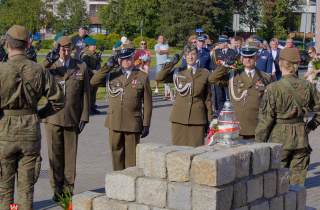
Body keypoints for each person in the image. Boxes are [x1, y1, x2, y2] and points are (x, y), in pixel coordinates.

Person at [0, 25, 65, 209]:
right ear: (28, 45)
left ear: (7, 45)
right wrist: (38, 114)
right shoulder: (39, 70)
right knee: (26, 190)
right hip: (30, 132)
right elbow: (58, 101)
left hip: (4, 133)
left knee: (4, 191)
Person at [255, 48, 320, 186]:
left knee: (276, 184)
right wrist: (310, 126)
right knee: (296, 186)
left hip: (279, 139)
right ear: (296, 65)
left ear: (281, 64)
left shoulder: (273, 88)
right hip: (301, 138)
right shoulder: (307, 85)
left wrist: (258, 143)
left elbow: (265, 121)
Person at [41, 36, 90, 201]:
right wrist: (49, 60)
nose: (67, 52)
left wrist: (84, 116)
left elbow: (85, 93)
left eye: (69, 49)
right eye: (63, 49)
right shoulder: (50, 65)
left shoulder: (81, 66)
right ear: (57, 49)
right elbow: (36, 76)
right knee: (55, 155)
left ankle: (68, 189)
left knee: (70, 157)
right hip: (52, 117)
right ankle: (56, 189)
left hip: (72, 117)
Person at [90, 44, 152, 171]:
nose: (126, 61)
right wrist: (107, 67)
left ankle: (130, 185)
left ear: (133, 57)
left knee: (131, 158)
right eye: (123, 58)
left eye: (128, 58)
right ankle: (117, 182)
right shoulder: (112, 74)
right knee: (116, 155)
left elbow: (148, 102)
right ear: (118, 59)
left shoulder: (142, 76)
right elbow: (93, 81)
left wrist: (146, 124)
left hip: (132, 122)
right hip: (114, 121)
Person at [209, 42, 271, 140]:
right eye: (245, 57)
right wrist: (226, 65)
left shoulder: (265, 77)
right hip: (236, 126)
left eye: (251, 57)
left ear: (256, 58)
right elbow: (213, 79)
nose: (248, 59)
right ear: (241, 58)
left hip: (256, 127)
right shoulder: (233, 75)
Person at [155, 44, 213, 147]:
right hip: (179, 117)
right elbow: (159, 78)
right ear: (184, 57)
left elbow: (207, 99)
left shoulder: (205, 73)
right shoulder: (178, 71)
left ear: (198, 55)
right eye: (188, 54)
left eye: (193, 54)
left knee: (196, 151)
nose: (191, 57)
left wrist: (209, 120)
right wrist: (170, 64)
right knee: (178, 152)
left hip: (197, 118)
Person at [210, 35, 238, 118]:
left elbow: (237, 65)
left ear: (226, 43)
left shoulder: (233, 52)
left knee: (230, 95)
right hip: (219, 78)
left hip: (229, 77)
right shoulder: (216, 52)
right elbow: (212, 64)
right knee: (219, 96)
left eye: (221, 43)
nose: (219, 44)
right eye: (219, 43)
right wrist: (219, 69)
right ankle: (220, 113)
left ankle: (231, 113)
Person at [80, 38, 101, 114]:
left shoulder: (95, 54)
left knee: (94, 91)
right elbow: (83, 66)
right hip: (88, 76)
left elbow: (98, 64)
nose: (95, 46)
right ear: (89, 46)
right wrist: (92, 71)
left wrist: (98, 70)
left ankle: (92, 106)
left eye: (95, 45)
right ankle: (87, 108)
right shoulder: (86, 54)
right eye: (93, 45)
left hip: (95, 76)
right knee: (88, 92)